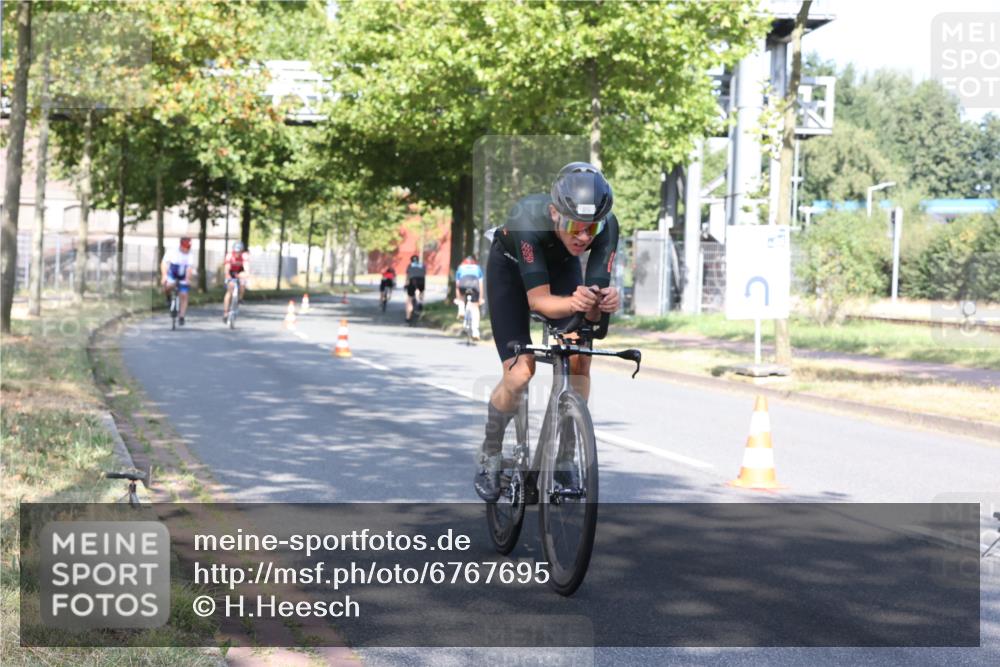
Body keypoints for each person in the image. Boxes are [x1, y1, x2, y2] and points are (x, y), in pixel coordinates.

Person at [474, 162, 620, 501]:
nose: (583, 237)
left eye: (591, 228)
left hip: (561, 269)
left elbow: (593, 318)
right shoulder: (526, 220)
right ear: (555, 213)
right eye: (573, 226)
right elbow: (538, 301)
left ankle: (567, 455)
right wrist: (575, 303)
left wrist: (603, 301)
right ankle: (491, 451)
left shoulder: (606, 226)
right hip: (511, 274)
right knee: (520, 372)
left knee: (580, 357)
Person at [161, 236, 196, 326]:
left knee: (184, 295)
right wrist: (164, 275)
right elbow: (164, 263)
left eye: (188, 248)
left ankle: (181, 316)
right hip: (172, 273)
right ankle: (168, 298)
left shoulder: (190, 255)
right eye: (185, 247)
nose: (186, 250)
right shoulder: (172, 251)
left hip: (183, 275)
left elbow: (189, 268)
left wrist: (188, 279)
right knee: (167, 286)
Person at [455, 255, 484, 341]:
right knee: (475, 307)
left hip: (463, 285)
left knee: (462, 298)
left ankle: (461, 310)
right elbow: (480, 285)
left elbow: (457, 285)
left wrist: (458, 298)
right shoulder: (477, 268)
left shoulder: (460, 268)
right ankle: (475, 331)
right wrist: (480, 298)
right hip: (474, 286)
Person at [222, 241, 250, 323]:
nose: (237, 253)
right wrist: (228, 277)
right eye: (236, 251)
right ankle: (225, 312)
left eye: (239, 252)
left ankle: (240, 298)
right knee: (230, 290)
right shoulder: (229, 256)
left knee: (243, 283)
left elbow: (246, 269)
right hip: (231, 272)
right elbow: (227, 269)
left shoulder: (244, 256)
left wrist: (245, 275)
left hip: (240, 272)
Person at [404, 254, 426, 321]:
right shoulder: (423, 265)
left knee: (409, 299)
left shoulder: (410, 266)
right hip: (421, 281)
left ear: (411, 260)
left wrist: (406, 284)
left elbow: (407, 276)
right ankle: (420, 302)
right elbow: (424, 274)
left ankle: (408, 317)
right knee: (421, 292)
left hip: (412, 280)